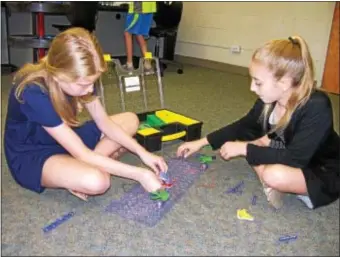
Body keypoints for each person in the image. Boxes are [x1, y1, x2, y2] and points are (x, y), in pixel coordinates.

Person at [3, 27, 167, 201]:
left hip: (68, 136)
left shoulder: (80, 78)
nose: (90, 89)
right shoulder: (33, 91)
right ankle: (85, 169)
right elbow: (82, 153)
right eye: (84, 84)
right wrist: (140, 174)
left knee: (131, 119)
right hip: (33, 154)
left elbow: (105, 123)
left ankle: (82, 168)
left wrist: (143, 153)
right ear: (60, 75)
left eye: (93, 82)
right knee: (97, 181)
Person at [177, 36, 340, 210]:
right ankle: (275, 179)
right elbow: (244, 125)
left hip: (323, 167)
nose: (252, 88)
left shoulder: (317, 105)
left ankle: (274, 181)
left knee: (273, 174)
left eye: (258, 82)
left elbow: (295, 159)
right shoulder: (269, 100)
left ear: (283, 83)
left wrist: (245, 149)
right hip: (290, 151)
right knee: (252, 138)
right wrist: (201, 142)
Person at [123, 1, 156, 72]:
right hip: (148, 7)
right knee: (139, 33)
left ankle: (129, 64)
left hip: (138, 7)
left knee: (127, 33)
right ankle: (147, 65)